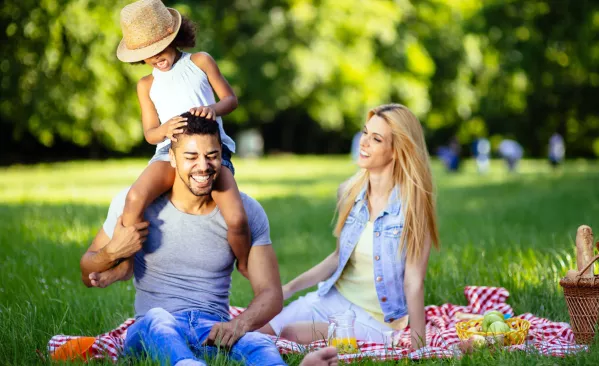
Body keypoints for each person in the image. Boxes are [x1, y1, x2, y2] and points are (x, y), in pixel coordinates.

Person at [79, 114, 337, 366]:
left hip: (213, 330)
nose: (203, 166)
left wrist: (240, 323)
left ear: (222, 157)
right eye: (190, 157)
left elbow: (271, 293)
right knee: (158, 319)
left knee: (258, 343)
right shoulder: (135, 205)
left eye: (212, 156)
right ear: (172, 157)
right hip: (152, 328)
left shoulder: (248, 211)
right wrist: (111, 253)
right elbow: (86, 271)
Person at [259, 104, 440, 350]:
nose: (364, 142)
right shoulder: (349, 192)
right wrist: (287, 289)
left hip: (375, 321)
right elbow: (337, 257)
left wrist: (420, 346)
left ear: (397, 150)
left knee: (290, 334)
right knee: (257, 330)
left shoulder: (413, 209)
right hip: (332, 298)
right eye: (365, 133)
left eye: (376, 139)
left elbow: (414, 281)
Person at [115, 0, 251, 282]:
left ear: (173, 37)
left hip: (210, 152)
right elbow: (150, 133)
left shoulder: (200, 62)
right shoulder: (146, 85)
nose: (156, 58)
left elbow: (231, 99)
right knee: (135, 196)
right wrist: (164, 129)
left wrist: (212, 110)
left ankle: (245, 264)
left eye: (159, 49)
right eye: (148, 54)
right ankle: (125, 261)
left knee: (236, 218)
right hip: (168, 151)